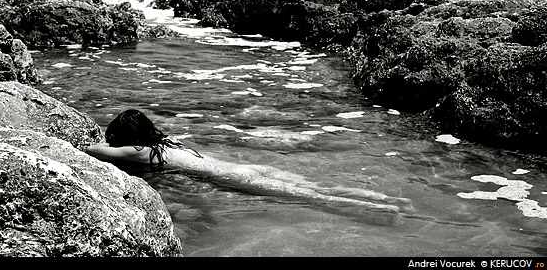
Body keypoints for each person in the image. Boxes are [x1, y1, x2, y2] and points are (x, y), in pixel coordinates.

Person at [86, 109, 412, 213]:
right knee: (316, 187)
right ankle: (385, 200)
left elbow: (92, 151)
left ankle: (384, 211)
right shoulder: (167, 142)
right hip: (248, 168)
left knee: (312, 198)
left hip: (237, 178)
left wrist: (106, 142)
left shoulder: (138, 152)